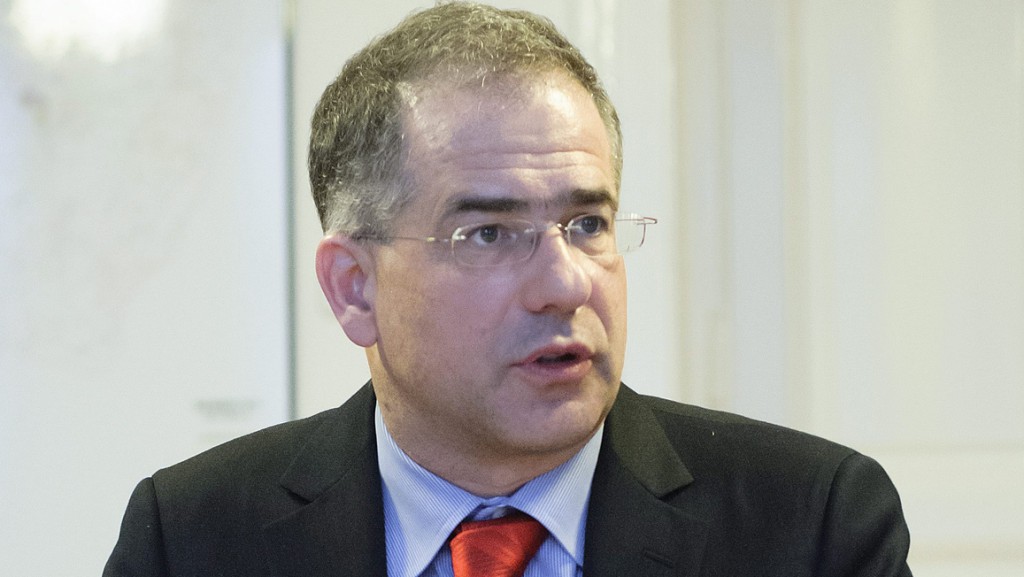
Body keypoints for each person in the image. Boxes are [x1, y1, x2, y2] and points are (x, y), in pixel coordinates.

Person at [104, 2, 912, 576]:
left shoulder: (812, 527)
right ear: (354, 288)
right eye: (489, 233)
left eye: (588, 223)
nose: (566, 281)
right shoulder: (194, 539)